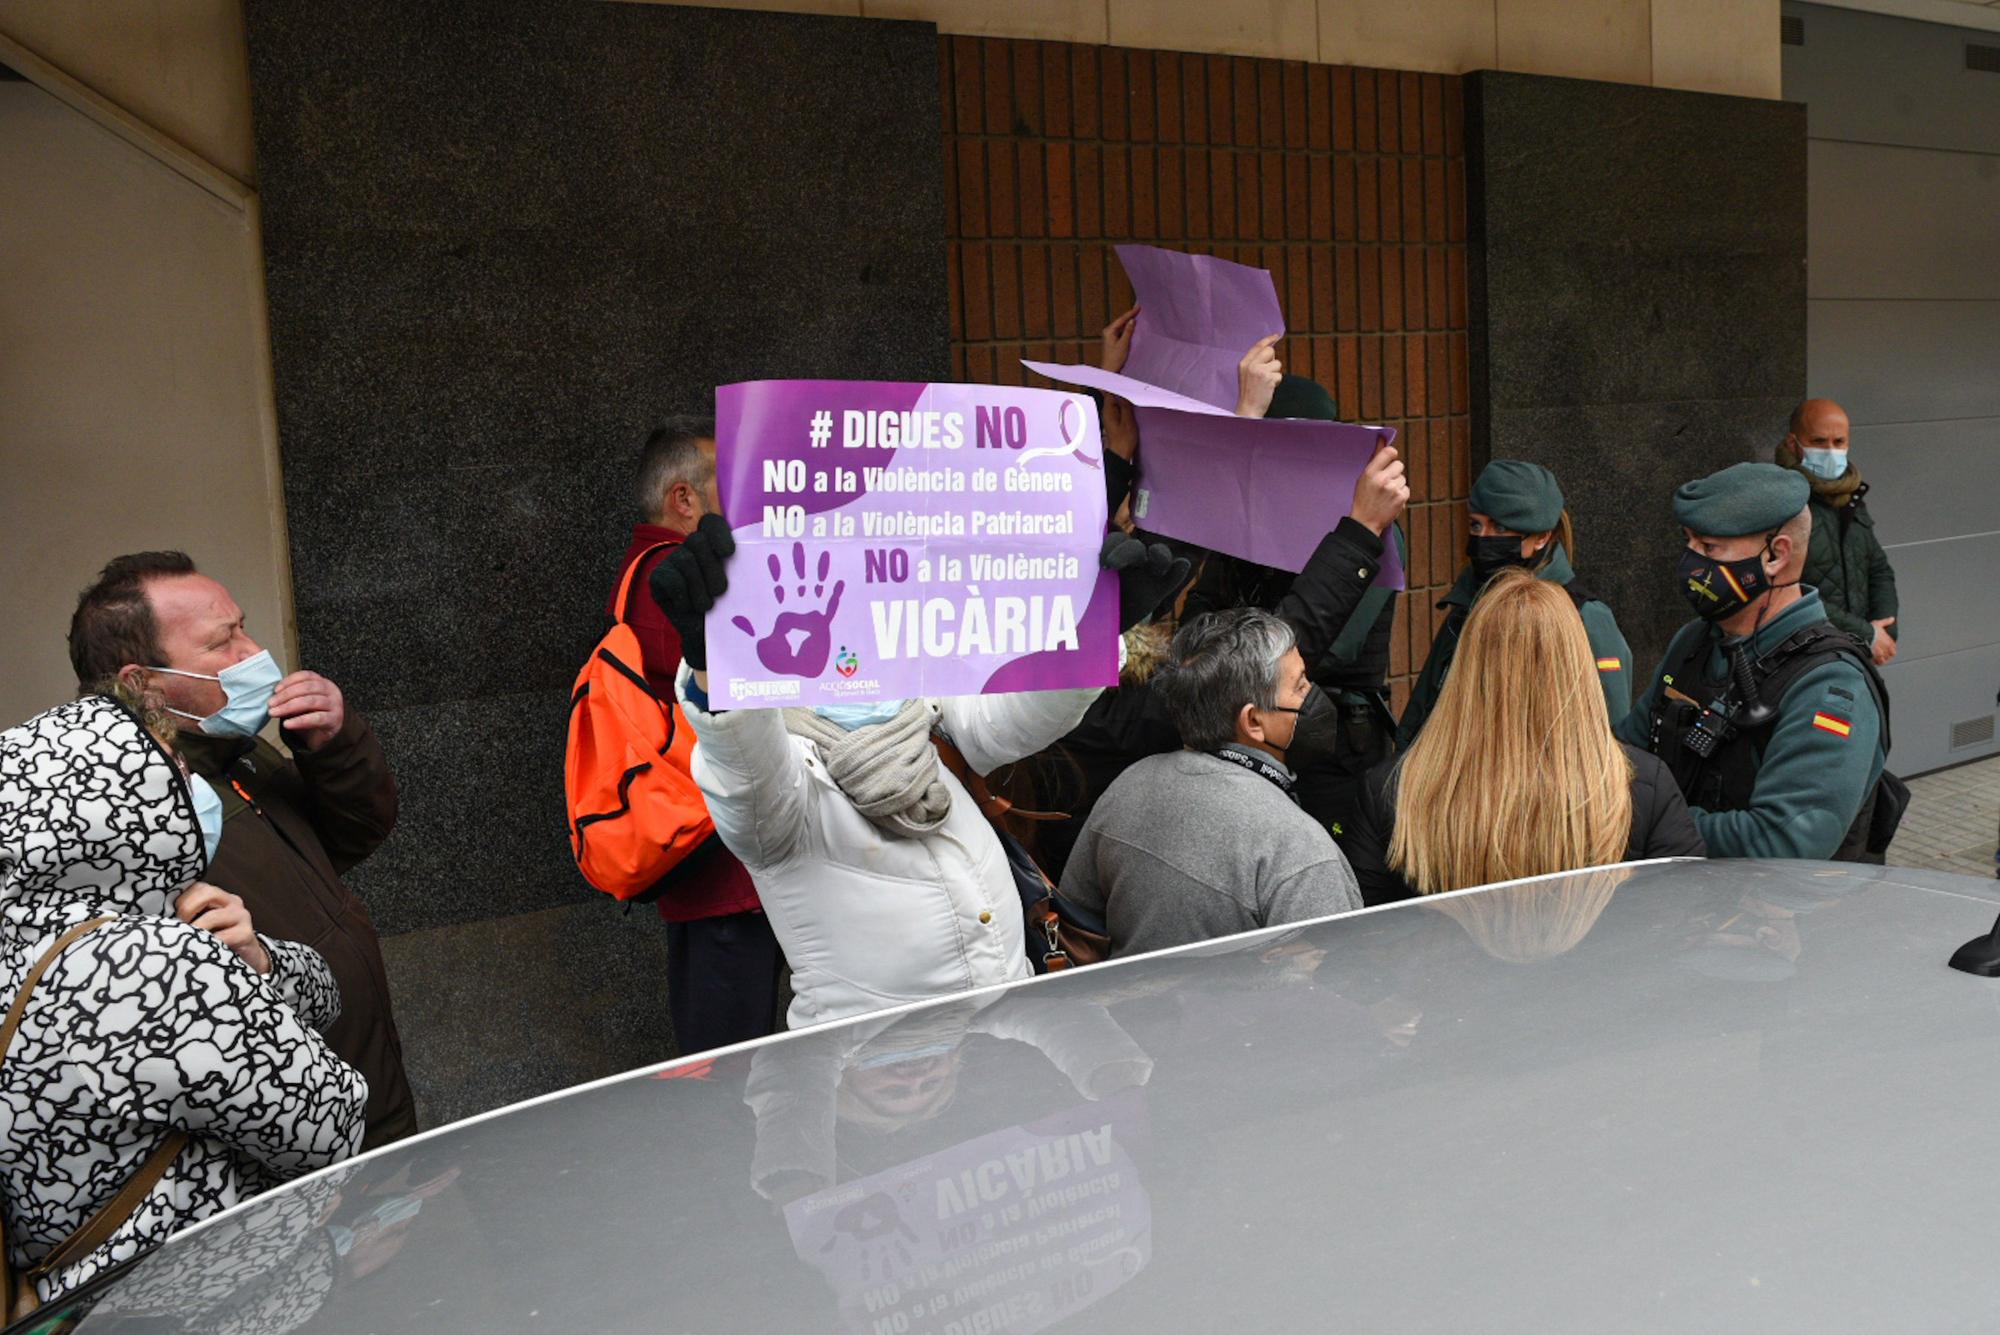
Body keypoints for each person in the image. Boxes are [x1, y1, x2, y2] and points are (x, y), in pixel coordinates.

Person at [648, 517, 1189, 1028]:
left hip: (998, 1049)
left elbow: (1013, 720)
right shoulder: (785, 780)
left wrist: (1096, 629)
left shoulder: (916, 706)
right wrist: (718, 668)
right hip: (881, 1074)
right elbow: (748, 782)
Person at [0, 694, 366, 1304]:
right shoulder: (157, 964)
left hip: (82, 1305)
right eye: (176, 770)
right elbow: (332, 1125)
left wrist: (252, 959)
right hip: (227, 1299)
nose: (192, 787)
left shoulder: (19, 948)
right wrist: (253, 968)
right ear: (118, 802)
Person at [67, 551, 416, 1149]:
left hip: (365, 1082)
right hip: (293, 1136)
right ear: (141, 684)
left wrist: (332, 745)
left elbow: (351, 837)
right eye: (222, 641)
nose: (254, 653)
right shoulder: (125, 823)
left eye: (243, 627)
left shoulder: (238, 752)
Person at [1345, 570, 1704, 905]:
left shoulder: (1393, 790)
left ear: (1466, 670)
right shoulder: (1642, 786)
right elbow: (1684, 917)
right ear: (1577, 667)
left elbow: (1367, 940)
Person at [609, 419, 785, 1054]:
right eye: (729, 485)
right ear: (684, 500)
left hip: (713, 863)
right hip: (721, 872)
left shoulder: (648, 574)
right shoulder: (675, 582)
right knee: (732, 1068)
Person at [1617, 462, 1891, 860]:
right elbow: (1623, 750)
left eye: (1709, 548)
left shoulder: (1831, 686)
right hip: (1680, 902)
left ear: (1776, 556)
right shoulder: (1695, 642)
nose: (1691, 561)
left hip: (1777, 918)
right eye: (1688, 542)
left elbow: (1784, 841)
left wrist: (1649, 820)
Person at [1059, 607, 1364, 957]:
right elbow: (1337, 981)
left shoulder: (1129, 786)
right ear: (1253, 721)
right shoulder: (1297, 848)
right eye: (1299, 686)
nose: (1313, 695)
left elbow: (1075, 924)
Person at [1398, 460, 1632, 745]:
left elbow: (1611, 732)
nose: (1483, 540)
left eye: (1500, 529)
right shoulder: (1467, 605)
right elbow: (1422, 713)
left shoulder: (1585, 617)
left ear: (1542, 537)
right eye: (1476, 526)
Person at [1777, 398, 1899, 666]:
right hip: (1803, 659)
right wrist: (1866, 634)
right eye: (1819, 441)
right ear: (1792, 443)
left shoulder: (1851, 497)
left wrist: (1885, 628)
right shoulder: (1781, 501)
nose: (1831, 451)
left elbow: (1878, 568)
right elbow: (1786, 590)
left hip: (1854, 656)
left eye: (1839, 442)